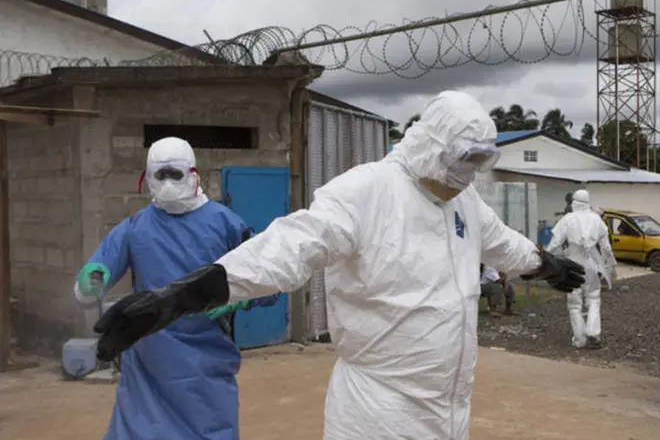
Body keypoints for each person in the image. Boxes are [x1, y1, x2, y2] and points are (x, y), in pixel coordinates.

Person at [92, 91, 585, 440]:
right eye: (464, 159)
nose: (469, 173)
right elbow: (288, 247)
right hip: (378, 413)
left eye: (479, 162)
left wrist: (545, 264)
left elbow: (501, 244)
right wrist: (182, 296)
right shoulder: (368, 191)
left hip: (447, 409)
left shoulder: (464, 203)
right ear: (433, 147)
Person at [73, 136, 256, 440]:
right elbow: (98, 270)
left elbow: (269, 283)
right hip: (147, 364)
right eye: (161, 175)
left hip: (204, 366)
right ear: (146, 178)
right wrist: (92, 281)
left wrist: (238, 297)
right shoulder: (136, 227)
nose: (169, 183)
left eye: (176, 174)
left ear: (193, 174)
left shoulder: (227, 225)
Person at [546, 189, 616, 350]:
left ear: (573, 203)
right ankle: (593, 332)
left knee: (574, 304)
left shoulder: (567, 219)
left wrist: (545, 257)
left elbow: (555, 243)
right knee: (593, 298)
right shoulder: (596, 219)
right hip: (591, 263)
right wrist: (611, 264)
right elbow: (606, 247)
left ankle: (580, 339)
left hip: (572, 263)